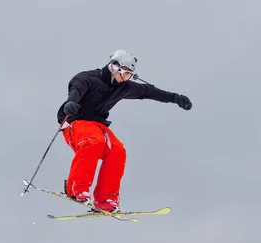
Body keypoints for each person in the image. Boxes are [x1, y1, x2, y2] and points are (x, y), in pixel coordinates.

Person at [57, 49, 192, 212]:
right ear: (114, 67)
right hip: (75, 120)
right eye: (125, 74)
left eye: (129, 75)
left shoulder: (123, 87)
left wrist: (175, 98)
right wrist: (71, 103)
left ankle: (105, 199)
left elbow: (149, 92)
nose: (125, 79)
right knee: (94, 143)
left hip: (97, 124)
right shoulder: (88, 78)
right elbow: (76, 89)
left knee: (117, 152)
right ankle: (76, 189)